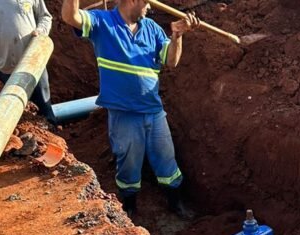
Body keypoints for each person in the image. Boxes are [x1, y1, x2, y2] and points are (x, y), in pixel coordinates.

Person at [61, 0, 199, 219]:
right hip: (123, 113)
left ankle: (175, 203)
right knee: (129, 163)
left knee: (166, 159)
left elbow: (171, 60)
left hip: (153, 111)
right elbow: (71, 17)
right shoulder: (103, 22)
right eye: (146, 3)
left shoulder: (151, 28)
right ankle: (129, 208)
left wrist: (177, 36)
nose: (149, 8)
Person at [0, 0, 57, 124]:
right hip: (5, 68)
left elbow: (45, 16)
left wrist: (40, 31)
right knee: (18, 113)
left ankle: (51, 128)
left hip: (33, 61)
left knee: (45, 109)